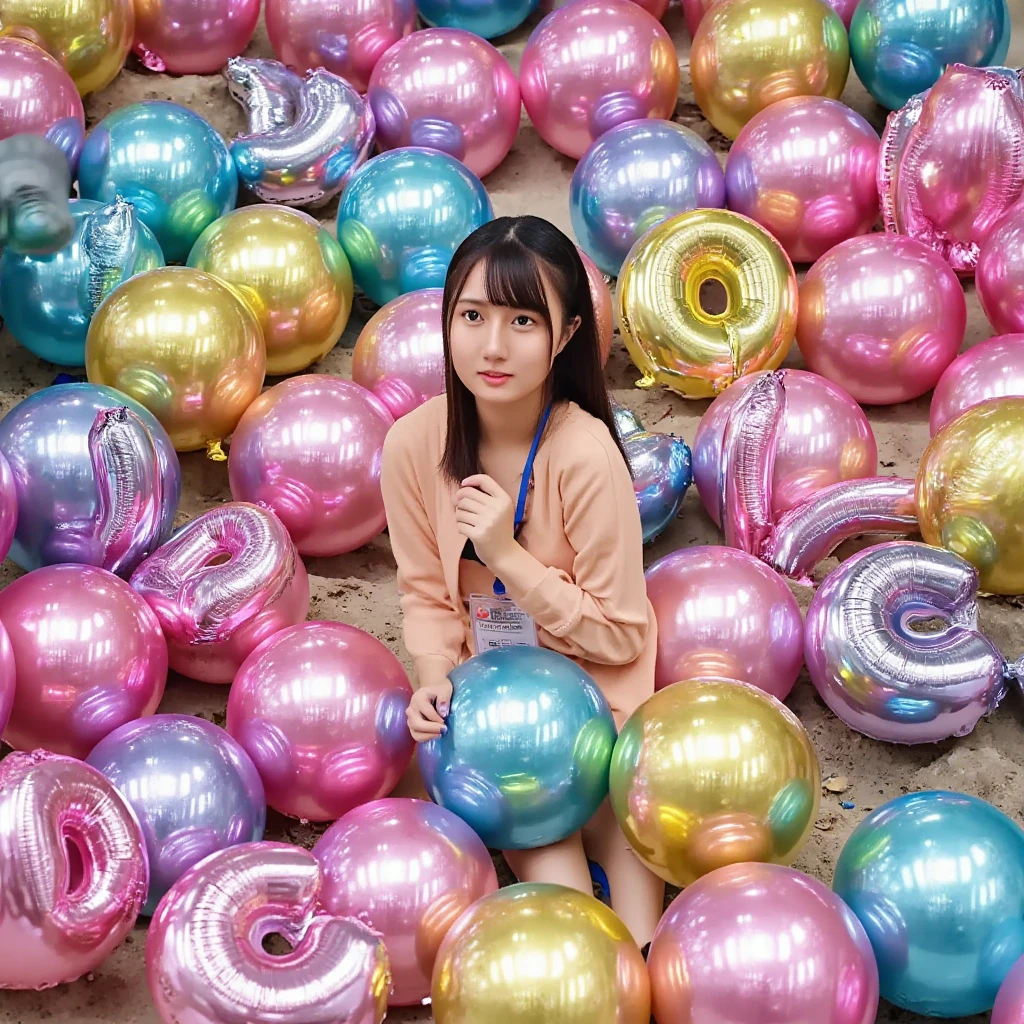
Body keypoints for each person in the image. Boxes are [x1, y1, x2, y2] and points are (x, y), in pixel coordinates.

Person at [380, 214, 665, 948]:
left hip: (600, 693)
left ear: (566, 334)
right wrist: (437, 674)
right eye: (472, 316)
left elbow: (620, 631)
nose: (493, 345)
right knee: (563, 896)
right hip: (501, 709)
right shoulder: (415, 445)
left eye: (522, 320)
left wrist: (507, 555)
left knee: (636, 932)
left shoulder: (584, 453)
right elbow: (425, 594)